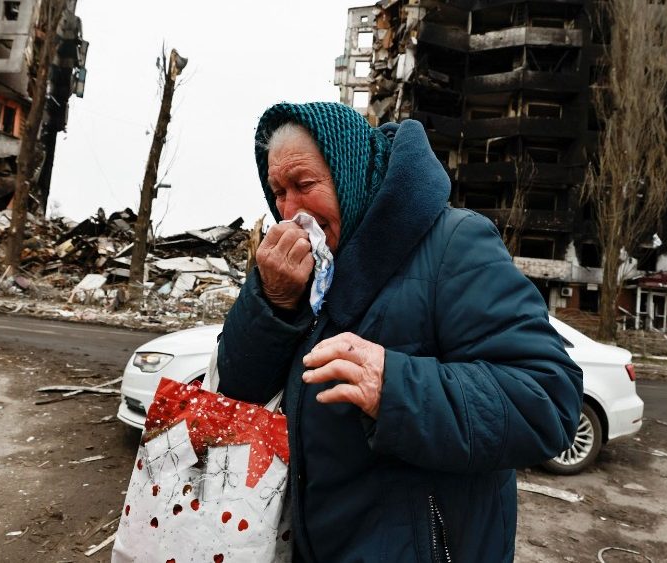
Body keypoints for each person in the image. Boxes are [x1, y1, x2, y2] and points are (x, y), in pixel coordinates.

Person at [217, 102, 583, 562]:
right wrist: (273, 299)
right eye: (278, 193)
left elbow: (548, 398)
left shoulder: (454, 243)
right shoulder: (301, 269)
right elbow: (236, 388)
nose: (290, 212)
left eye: (304, 185)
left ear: (348, 173)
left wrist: (393, 389)